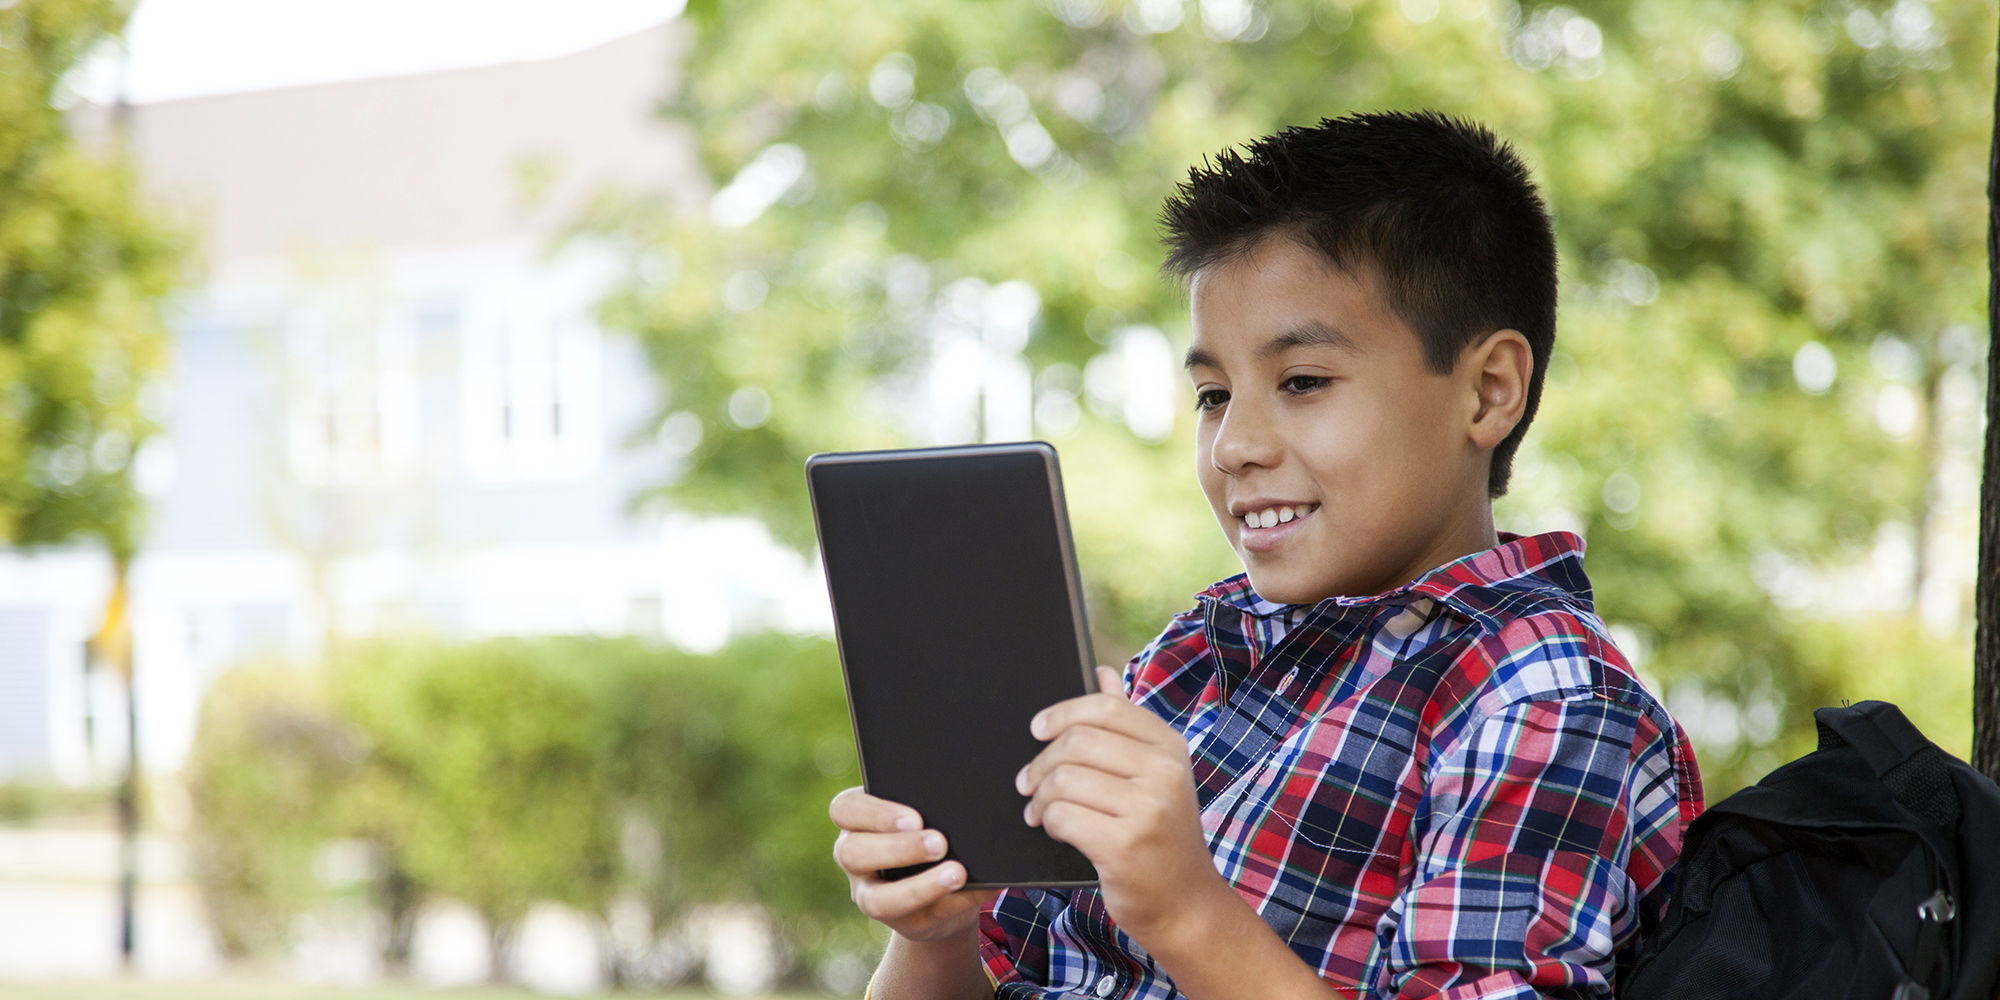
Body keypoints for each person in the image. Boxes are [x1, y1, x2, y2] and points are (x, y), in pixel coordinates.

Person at [829, 111, 1704, 1000]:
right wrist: (939, 932)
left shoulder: (1543, 705)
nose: (1232, 445)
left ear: (1487, 391)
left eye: (1303, 382)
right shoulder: (1189, 659)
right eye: (1213, 394)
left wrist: (1185, 911)